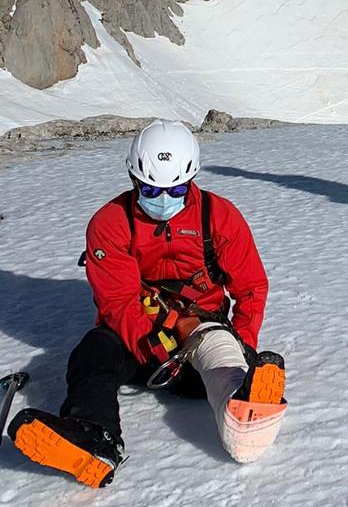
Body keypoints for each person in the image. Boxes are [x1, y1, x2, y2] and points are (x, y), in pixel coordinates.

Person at [7, 120, 287, 487]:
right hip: (138, 337)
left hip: (202, 329)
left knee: (221, 355)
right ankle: (94, 437)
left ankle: (243, 407)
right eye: (151, 190)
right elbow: (119, 302)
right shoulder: (110, 224)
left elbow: (251, 288)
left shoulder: (219, 218)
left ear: (192, 180)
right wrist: (155, 345)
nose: (164, 199)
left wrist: (244, 341)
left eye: (177, 189)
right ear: (134, 180)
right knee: (93, 354)